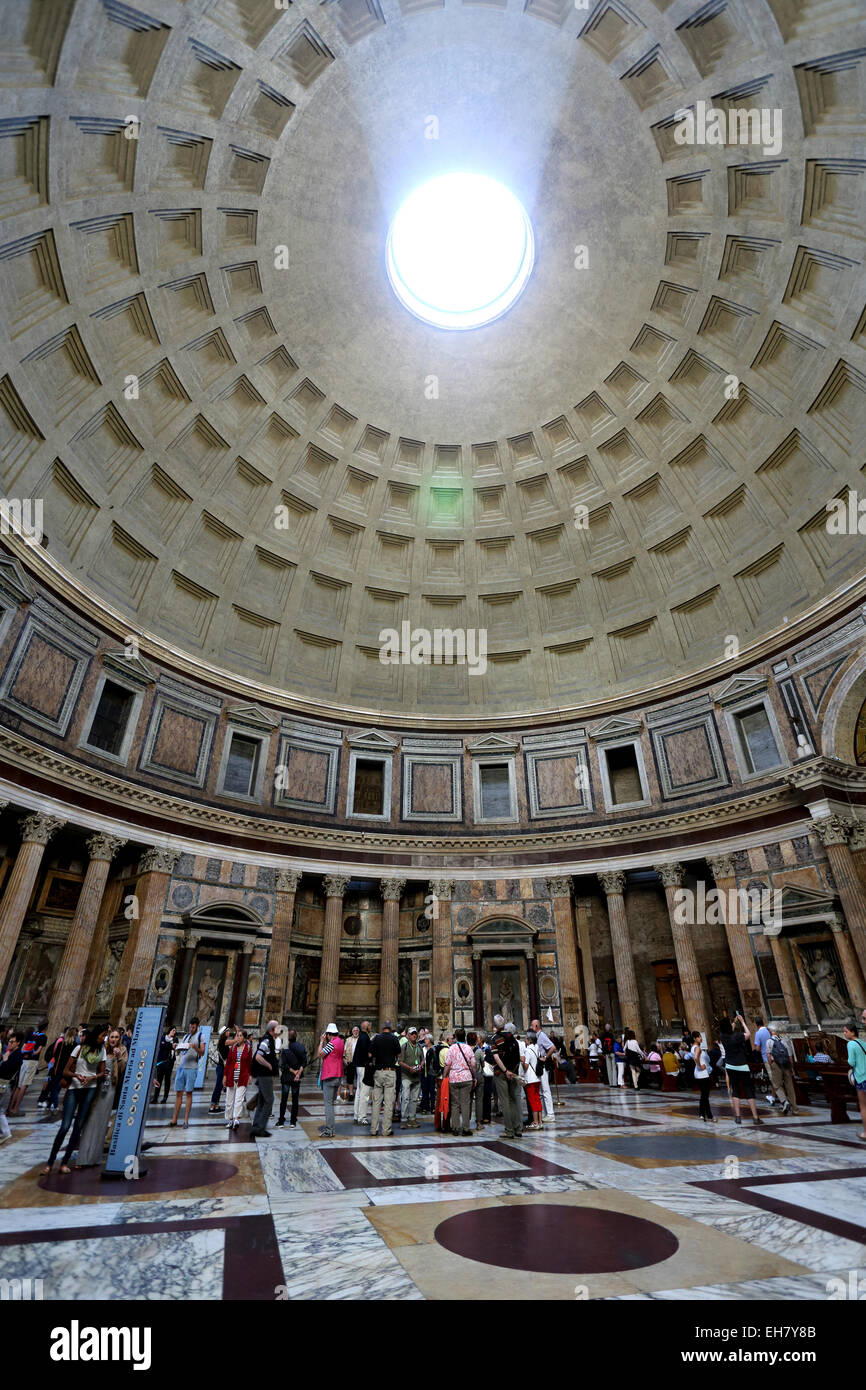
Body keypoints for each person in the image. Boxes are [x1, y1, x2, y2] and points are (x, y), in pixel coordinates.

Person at [40, 1026, 106, 1175]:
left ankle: (64, 1162)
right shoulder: (79, 1048)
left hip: (90, 1088)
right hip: (74, 1088)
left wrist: (92, 1077)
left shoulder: (102, 1051)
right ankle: (50, 1162)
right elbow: (65, 1070)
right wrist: (76, 1076)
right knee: (64, 1126)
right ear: (96, 1036)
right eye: (102, 1036)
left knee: (78, 1127)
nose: (104, 1038)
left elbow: (102, 1072)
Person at [76, 1026, 127, 1166]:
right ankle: (84, 1155)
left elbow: (123, 1070)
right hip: (96, 1087)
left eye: (116, 1037)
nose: (114, 1040)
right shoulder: (101, 1049)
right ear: (108, 1038)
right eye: (112, 1037)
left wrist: (119, 1058)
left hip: (110, 1089)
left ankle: (94, 1157)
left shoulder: (122, 1050)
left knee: (103, 1121)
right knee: (91, 1119)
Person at [719, 1014, 763, 1125]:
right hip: (742, 1065)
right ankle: (755, 1117)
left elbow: (728, 1030)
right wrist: (742, 1022)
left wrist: (733, 1023)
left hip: (730, 1066)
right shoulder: (737, 1036)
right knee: (749, 1090)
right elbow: (748, 1034)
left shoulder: (723, 1036)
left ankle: (738, 1117)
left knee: (736, 1090)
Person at [489, 1014, 523, 1139]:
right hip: (513, 1072)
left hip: (501, 1073)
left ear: (495, 1026)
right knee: (513, 1099)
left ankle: (509, 1131)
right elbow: (517, 1055)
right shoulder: (511, 1037)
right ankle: (518, 1128)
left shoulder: (495, 1039)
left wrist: (505, 1070)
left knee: (505, 1101)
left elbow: (496, 1057)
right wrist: (512, 1071)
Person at [170, 1017, 205, 1128]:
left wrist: (195, 1047)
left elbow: (202, 1052)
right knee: (178, 1094)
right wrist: (176, 1047)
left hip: (191, 1068)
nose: (191, 1028)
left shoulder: (200, 1036)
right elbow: (181, 1049)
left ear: (197, 1026)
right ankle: (174, 1119)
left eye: (193, 1027)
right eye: (190, 1026)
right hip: (182, 1067)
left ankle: (186, 1121)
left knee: (188, 1093)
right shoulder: (186, 1036)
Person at [368, 1019, 401, 1138]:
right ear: (391, 1028)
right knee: (388, 1103)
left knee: (376, 1102)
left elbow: (370, 1054)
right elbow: (399, 1054)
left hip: (378, 1072)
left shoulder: (376, 1038)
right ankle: (386, 1130)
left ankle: (373, 1129)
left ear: (382, 1028)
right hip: (390, 1072)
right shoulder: (394, 1039)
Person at [8, 1020, 46, 1116]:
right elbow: (38, 1051)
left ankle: (10, 1108)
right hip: (32, 1062)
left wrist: (24, 1056)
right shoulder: (43, 1036)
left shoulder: (31, 1034)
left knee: (18, 1086)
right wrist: (32, 1054)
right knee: (24, 1086)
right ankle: (16, 1109)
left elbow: (23, 1048)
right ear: (46, 1027)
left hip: (23, 1061)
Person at [443, 1027, 476, 1136]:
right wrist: (474, 1076)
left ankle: (455, 1128)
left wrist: (444, 1076)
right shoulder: (468, 1048)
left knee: (455, 1104)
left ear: (456, 1037)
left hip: (454, 1079)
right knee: (465, 1104)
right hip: (466, 1078)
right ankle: (466, 1128)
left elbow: (447, 1064)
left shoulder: (451, 1048)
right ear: (465, 1036)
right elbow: (473, 1065)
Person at [250, 1020, 281, 1138]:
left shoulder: (269, 1040)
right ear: (272, 1030)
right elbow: (258, 1056)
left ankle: (256, 1126)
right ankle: (261, 1127)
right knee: (269, 1100)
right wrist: (268, 1065)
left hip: (264, 1075)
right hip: (264, 1075)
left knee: (262, 1101)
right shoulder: (267, 1040)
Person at [316, 1022, 344, 1138]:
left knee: (328, 1105)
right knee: (331, 1104)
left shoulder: (331, 1044)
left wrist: (321, 1042)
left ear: (328, 1035)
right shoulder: (341, 1042)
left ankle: (329, 1130)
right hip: (338, 1075)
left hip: (329, 1076)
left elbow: (320, 1054)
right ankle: (330, 1128)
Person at [43, 1028, 77, 1118]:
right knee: (58, 1088)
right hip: (67, 1070)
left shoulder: (61, 1044)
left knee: (55, 1088)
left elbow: (55, 1056)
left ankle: (53, 1105)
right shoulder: (75, 1045)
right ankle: (52, 1105)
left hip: (58, 1069)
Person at [277, 1028, 307, 1127]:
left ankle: (281, 1121)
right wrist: (298, 1073)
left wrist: (293, 1071)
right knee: (295, 1099)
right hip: (296, 1078)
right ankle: (293, 1121)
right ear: (296, 1036)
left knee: (284, 1099)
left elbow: (283, 1065)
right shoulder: (301, 1047)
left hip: (286, 1077)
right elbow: (304, 1062)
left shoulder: (285, 1048)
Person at [224, 1027, 252, 1132]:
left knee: (238, 1099)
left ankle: (236, 1119)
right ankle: (230, 1120)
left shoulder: (248, 1048)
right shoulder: (233, 1048)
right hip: (232, 1076)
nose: (238, 1037)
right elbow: (228, 1063)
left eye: (240, 1036)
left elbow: (250, 1062)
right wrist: (225, 1076)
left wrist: (250, 1075)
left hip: (242, 1076)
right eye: (237, 1035)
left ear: (244, 1038)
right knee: (229, 1100)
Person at [766, 1027, 799, 1115]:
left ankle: (784, 1101)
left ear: (770, 1032)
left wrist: (771, 1064)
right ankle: (795, 1109)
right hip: (786, 1064)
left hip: (776, 1064)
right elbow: (790, 1056)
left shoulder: (769, 1041)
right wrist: (791, 1067)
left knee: (776, 1085)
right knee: (790, 1087)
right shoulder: (784, 1041)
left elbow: (768, 1055)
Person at [843, 1020, 866, 1141]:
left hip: (861, 1077)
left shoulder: (851, 1044)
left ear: (852, 1032)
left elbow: (851, 1062)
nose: (844, 1034)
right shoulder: (863, 1042)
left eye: (846, 1031)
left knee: (863, 1106)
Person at [530, 1018, 557, 1122]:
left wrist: (545, 1057)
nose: (531, 1027)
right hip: (540, 1066)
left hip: (544, 1065)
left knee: (546, 1090)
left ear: (536, 1026)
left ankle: (550, 1114)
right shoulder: (537, 1036)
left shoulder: (542, 1036)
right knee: (541, 1090)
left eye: (532, 1026)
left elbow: (553, 1047)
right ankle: (546, 1113)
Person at [0, 1030, 22, 1146]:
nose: (10, 1044)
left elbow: (6, 1070)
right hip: (3, 1084)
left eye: (12, 1042)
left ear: (18, 1043)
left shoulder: (16, 1055)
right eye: (9, 1041)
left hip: (4, 1084)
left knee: (0, 1110)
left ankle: (5, 1132)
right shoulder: (13, 1053)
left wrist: (4, 1061)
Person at [400, 1025, 423, 1128]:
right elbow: (400, 1061)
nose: (414, 1035)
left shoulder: (419, 1046)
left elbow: (422, 1059)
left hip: (417, 1076)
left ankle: (412, 1118)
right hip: (406, 1075)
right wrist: (409, 1068)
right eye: (412, 1034)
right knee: (405, 1098)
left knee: (414, 1099)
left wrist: (421, 1065)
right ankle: (404, 1119)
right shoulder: (404, 1046)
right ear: (408, 1036)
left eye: (415, 1034)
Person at [691, 1030, 715, 1122]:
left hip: (698, 1073)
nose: (700, 1038)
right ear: (694, 1038)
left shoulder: (693, 1047)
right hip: (702, 1073)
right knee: (705, 1096)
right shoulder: (697, 1048)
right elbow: (696, 1058)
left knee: (704, 1095)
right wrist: (700, 1066)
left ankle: (704, 1115)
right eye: (698, 1037)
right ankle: (706, 1115)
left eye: (700, 1036)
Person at [522, 1029, 544, 1129]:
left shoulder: (527, 1050)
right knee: (537, 1099)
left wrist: (522, 1061)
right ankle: (540, 1121)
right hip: (537, 1077)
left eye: (526, 1038)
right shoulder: (537, 1048)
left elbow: (526, 1066)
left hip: (530, 1078)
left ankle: (535, 1122)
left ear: (529, 1040)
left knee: (532, 1100)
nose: (525, 1040)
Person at [208, 1025, 232, 1114]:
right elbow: (234, 1041)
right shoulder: (223, 1041)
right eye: (228, 1031)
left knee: (220, 1086)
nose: (229, 1033)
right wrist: (238, 1034)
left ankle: (216, 1105)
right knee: (218, 1086)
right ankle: (212, 1106)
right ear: (224, 1033)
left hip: (222, 1067)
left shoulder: (222, 1041)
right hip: (221, 1067)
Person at [353, 1020, 373, 1124]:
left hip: (359, 1067)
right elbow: (367, 1054)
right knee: (365, 1093)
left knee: (359, 1092)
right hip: (364, 1067)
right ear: (367, 1027)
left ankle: (356, 1115)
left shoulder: (361, 1037)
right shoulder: (365, 1038)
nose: (370, 1027)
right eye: (369, 1025)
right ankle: (362, 1117)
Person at [153, 1027, 176, 1103]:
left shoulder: (175, 1039)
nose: (174, 1032)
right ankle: (155, 1097)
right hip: (161, 1062)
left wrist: (168, 1046)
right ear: (170, 1030)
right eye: (173, 1030)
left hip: (170, 1062)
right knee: (159, 1079)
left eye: (175, 1031)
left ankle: (165, 1097)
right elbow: (162, 1045)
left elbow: (175, 1047)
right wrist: (170, 1045)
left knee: (167, 1080)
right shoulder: (163, 1037)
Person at [344, 1025, 359, 1100]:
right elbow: (344, 1050)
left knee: (359, 1078)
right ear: (352, 1032)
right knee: (350, 1078)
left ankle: (358, 1093)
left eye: (357, 1030)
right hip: (350, 1061)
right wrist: (345, 1060)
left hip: (359, 1062)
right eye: (354, 1030)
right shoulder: (348, 1039)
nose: (355, 1032)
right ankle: (351, 1094)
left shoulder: (361, 1039)